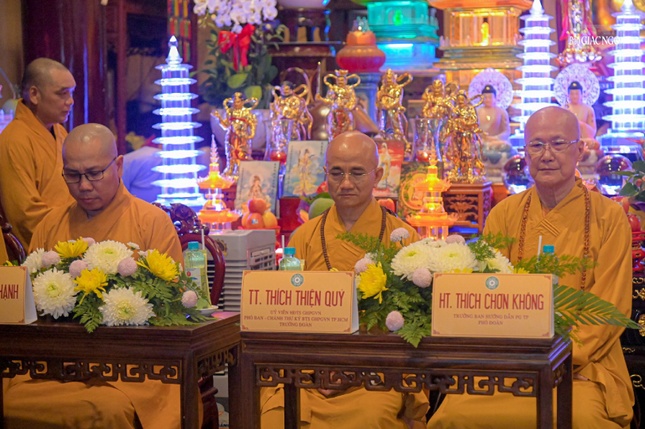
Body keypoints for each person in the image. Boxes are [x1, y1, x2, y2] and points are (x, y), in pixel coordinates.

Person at [429, 106, 633, 428]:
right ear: (525, 152)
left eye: (558, 143)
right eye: (536, 145)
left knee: (582, 418)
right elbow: (486, 298)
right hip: (508, 362)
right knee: (454, 415)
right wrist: (517, 357)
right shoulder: (504, 213)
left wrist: (559, 356)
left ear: (580, 149)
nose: (546, 155)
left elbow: (609, 306)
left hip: (583, 364)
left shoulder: (609, 217)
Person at [4, 123, 185, 428]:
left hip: (130, 369)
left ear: (119, 165)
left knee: (106, 409)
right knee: (10, 401)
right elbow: (30, 308)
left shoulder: (151, 222)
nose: (84, 186)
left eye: (94, 173)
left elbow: (170, 309)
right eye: (72, 175)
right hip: (55, 365)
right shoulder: (50, 224)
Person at [262, 130, 429, 429]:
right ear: (326, 174)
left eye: (357, 173)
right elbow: (284, 318)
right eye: (337, 173)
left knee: (370, 418)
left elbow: (415, 328)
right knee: (275, 418)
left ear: (377, 175)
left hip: (377, 374)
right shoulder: (304, 238)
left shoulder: (404, 240)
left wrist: (355, 369)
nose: (346, 183)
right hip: (308, 373)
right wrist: (315, 370)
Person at [0, 58, 76, 249]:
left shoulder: (60, 132)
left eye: (71, 93)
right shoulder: (14, 140)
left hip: (74, 232)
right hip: (48, 247)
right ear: (34, 95)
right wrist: (72, 240)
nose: (70, 101)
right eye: (62, 93)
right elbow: (25, 215)